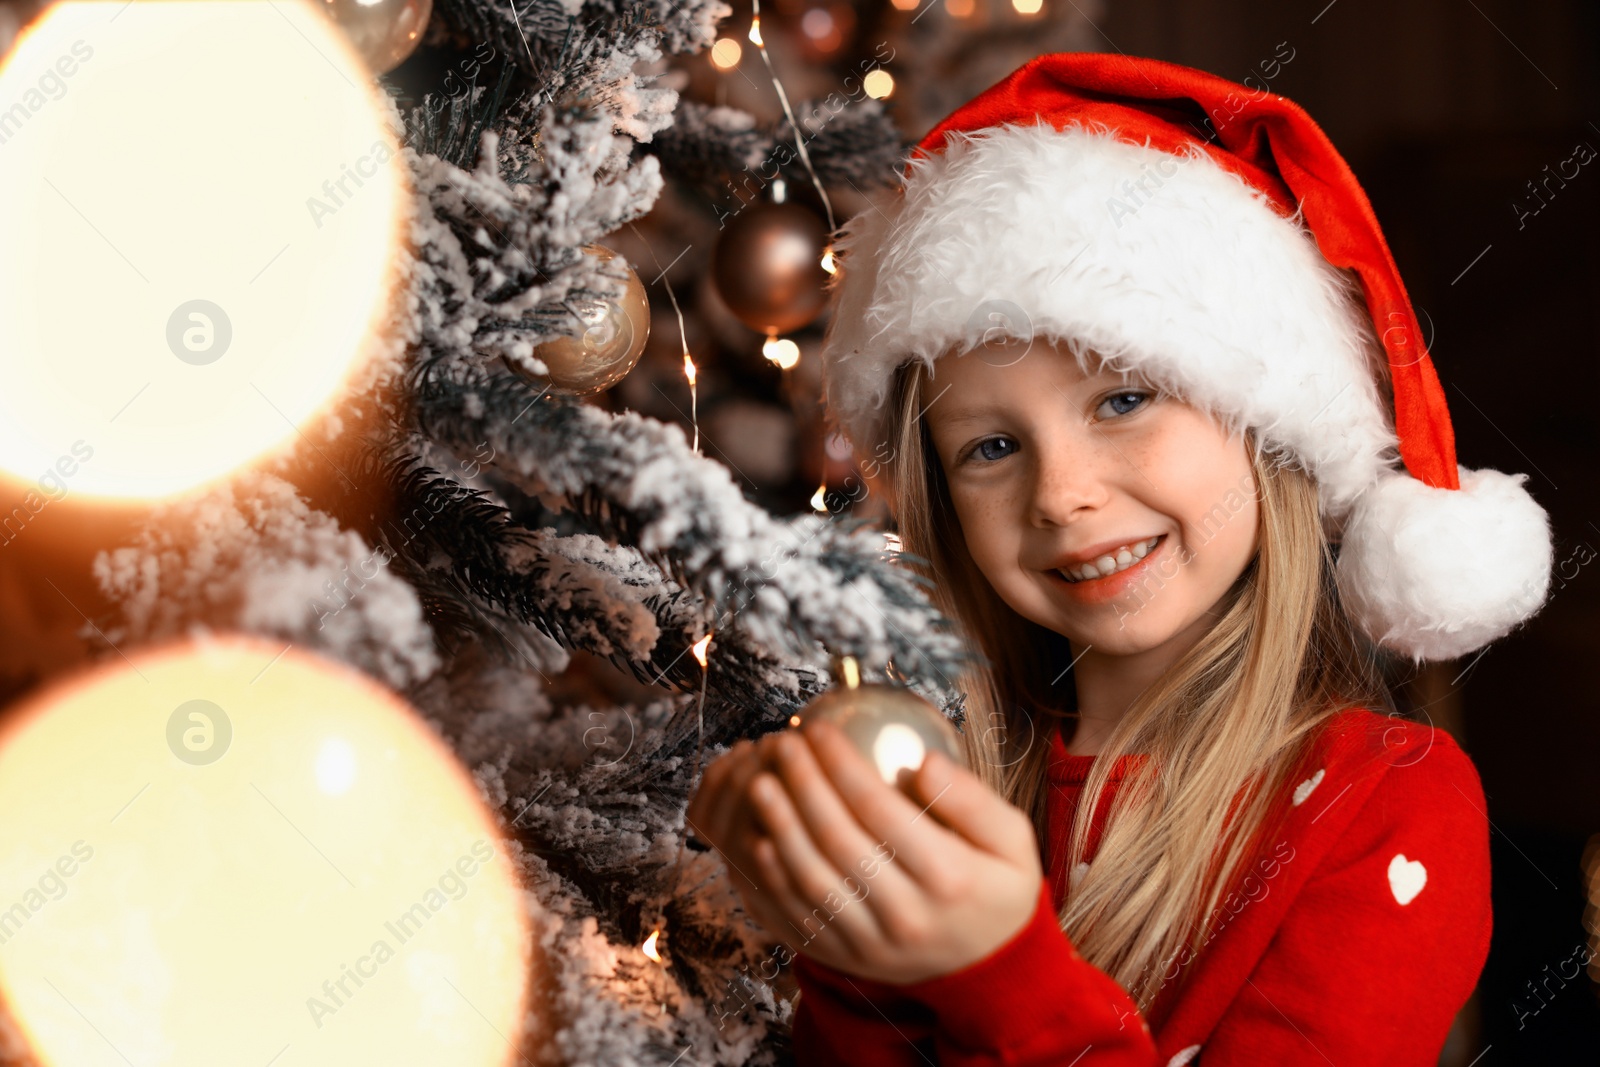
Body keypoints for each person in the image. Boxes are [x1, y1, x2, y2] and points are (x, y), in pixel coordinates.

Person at [685, 52, 1555, 1064]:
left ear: (1263, 429)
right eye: (992, 447)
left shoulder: (1386, 803)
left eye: (1123, 400)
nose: (1060, 495)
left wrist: (996, 969)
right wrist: (845, 946)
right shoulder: (949, 783)